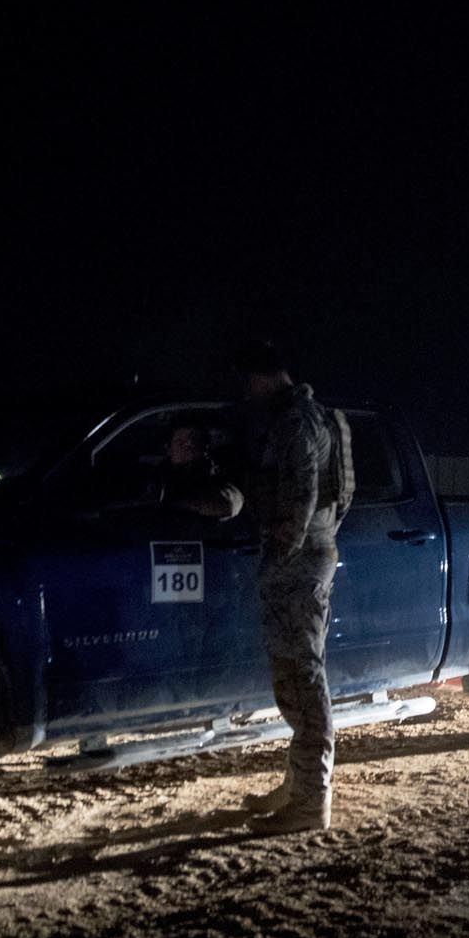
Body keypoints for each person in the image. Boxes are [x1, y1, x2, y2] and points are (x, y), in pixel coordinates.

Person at [233, 340, 355, 833]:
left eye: (245, 381)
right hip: (312, 554)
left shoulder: (295, 423)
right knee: (294, 674)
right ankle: (300, 784)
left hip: (297, 563)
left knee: (303, 680)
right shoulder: (320, 417)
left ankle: (310, 803)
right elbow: (336, 498)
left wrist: (279, 556)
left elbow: (301, 495)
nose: (243, 391)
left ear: (262, 377)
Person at [157, 423, 244, 521]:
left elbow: (230, 504)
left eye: (195, 440)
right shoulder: (157, 477)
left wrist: (175, 502)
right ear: (169, 449)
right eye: (180, 442)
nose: (188, 444)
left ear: (205, 448)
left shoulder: (216, 478)